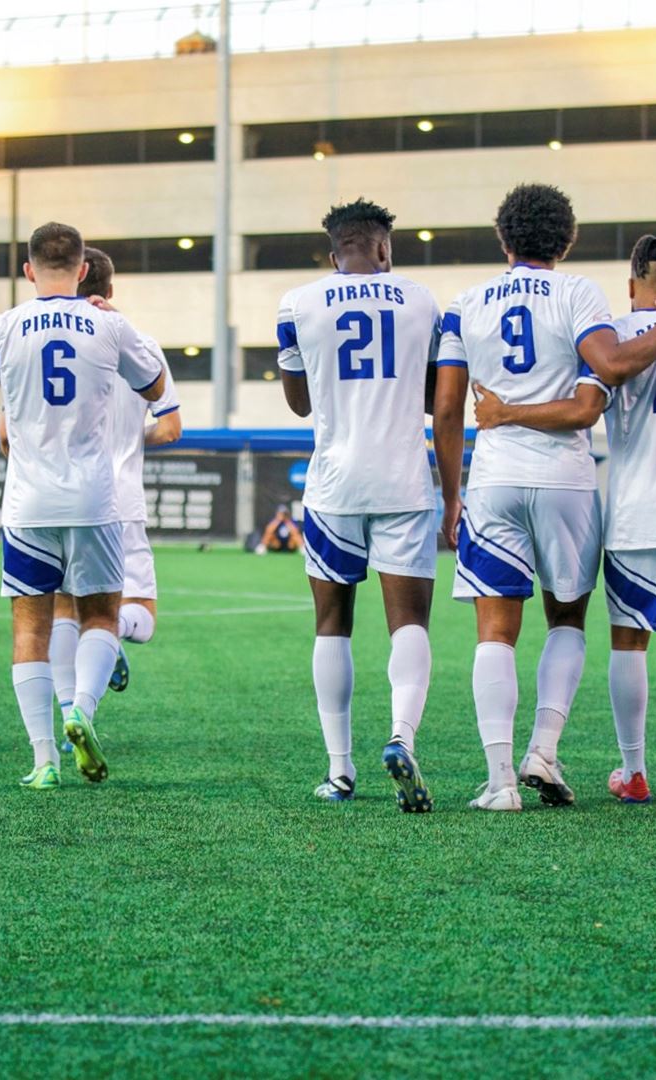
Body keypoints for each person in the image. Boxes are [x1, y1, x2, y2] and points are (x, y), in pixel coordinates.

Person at [434, 187, 656, 812]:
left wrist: (452, 495)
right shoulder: (578, 292)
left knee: (495, 633)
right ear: (567, 241)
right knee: (566, 620)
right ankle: (544, 751)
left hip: (494, 478)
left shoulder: (465, 303)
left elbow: (448, 410)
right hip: (565, 481)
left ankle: (501, 781)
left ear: (503, 240)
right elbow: (609, 366)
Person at [477, 236, 656, 817]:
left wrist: (505, 412)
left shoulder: (609, 336)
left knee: (630, 641)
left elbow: (584, 405)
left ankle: (634, 771)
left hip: (632, 515)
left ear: (632, 287)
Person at [0, 221, 168, 789]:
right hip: (95, 498)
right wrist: (117, 326)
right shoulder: (106, 325)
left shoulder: (2, 327)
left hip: (28, 503)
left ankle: (44, 761)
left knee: (30, 633)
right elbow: (158, 390)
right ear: (84, 269)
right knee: (99, 617)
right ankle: (81, 712)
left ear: (28, 270)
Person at [276, 198, 442, 811]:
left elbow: (299, 403)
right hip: (402, 479)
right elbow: (433, 398)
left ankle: (340, 770)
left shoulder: (298, 302)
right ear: (383, 248)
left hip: (333, 482)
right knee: (409, 623)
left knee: (331, 624)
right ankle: (401, 737)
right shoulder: (423, 301)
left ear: (332, 253)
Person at [47, 247, 181, 708]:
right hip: (119, 498)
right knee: (136, 613)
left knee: (65, 607)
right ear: (110, 288)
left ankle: (68, 717)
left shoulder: (38, 341)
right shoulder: (141, 344)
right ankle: (112, 642)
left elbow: (9, 435)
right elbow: (171, 426)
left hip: (55, 495)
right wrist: (130, 436)